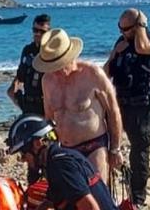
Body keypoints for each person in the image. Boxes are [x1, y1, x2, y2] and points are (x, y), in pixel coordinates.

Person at [38, 29, 124, 183]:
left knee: (98, 195)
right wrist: (48, 147)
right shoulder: (47, 81)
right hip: (65, 148)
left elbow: (113, 111)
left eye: (59, 65)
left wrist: (115, 148)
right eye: (51, 66)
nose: (56, 71)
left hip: (94, 145)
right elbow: (49, 118)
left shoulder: (93, 74)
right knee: (72, 200)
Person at [104, 8, 150, 208]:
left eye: (127, 28)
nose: (122, 33)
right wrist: (114, 53)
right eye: (119, 28)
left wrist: (140, 27)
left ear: (139, 26)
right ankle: (107, 188)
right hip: (120, 102)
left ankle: (138, 197)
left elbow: (142, 48)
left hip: (141, 105)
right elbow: (105, 73)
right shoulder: (121, 44)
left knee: (139, 151)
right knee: (108, 145)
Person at [7, 14, 51, 116]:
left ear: (48, 33)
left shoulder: (50, 52)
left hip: (46, 104)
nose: (38, 34)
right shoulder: (27, 50)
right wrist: (13, 87)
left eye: (42, 32)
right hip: (28, 103)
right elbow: (21, 75)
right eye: (35, 30)